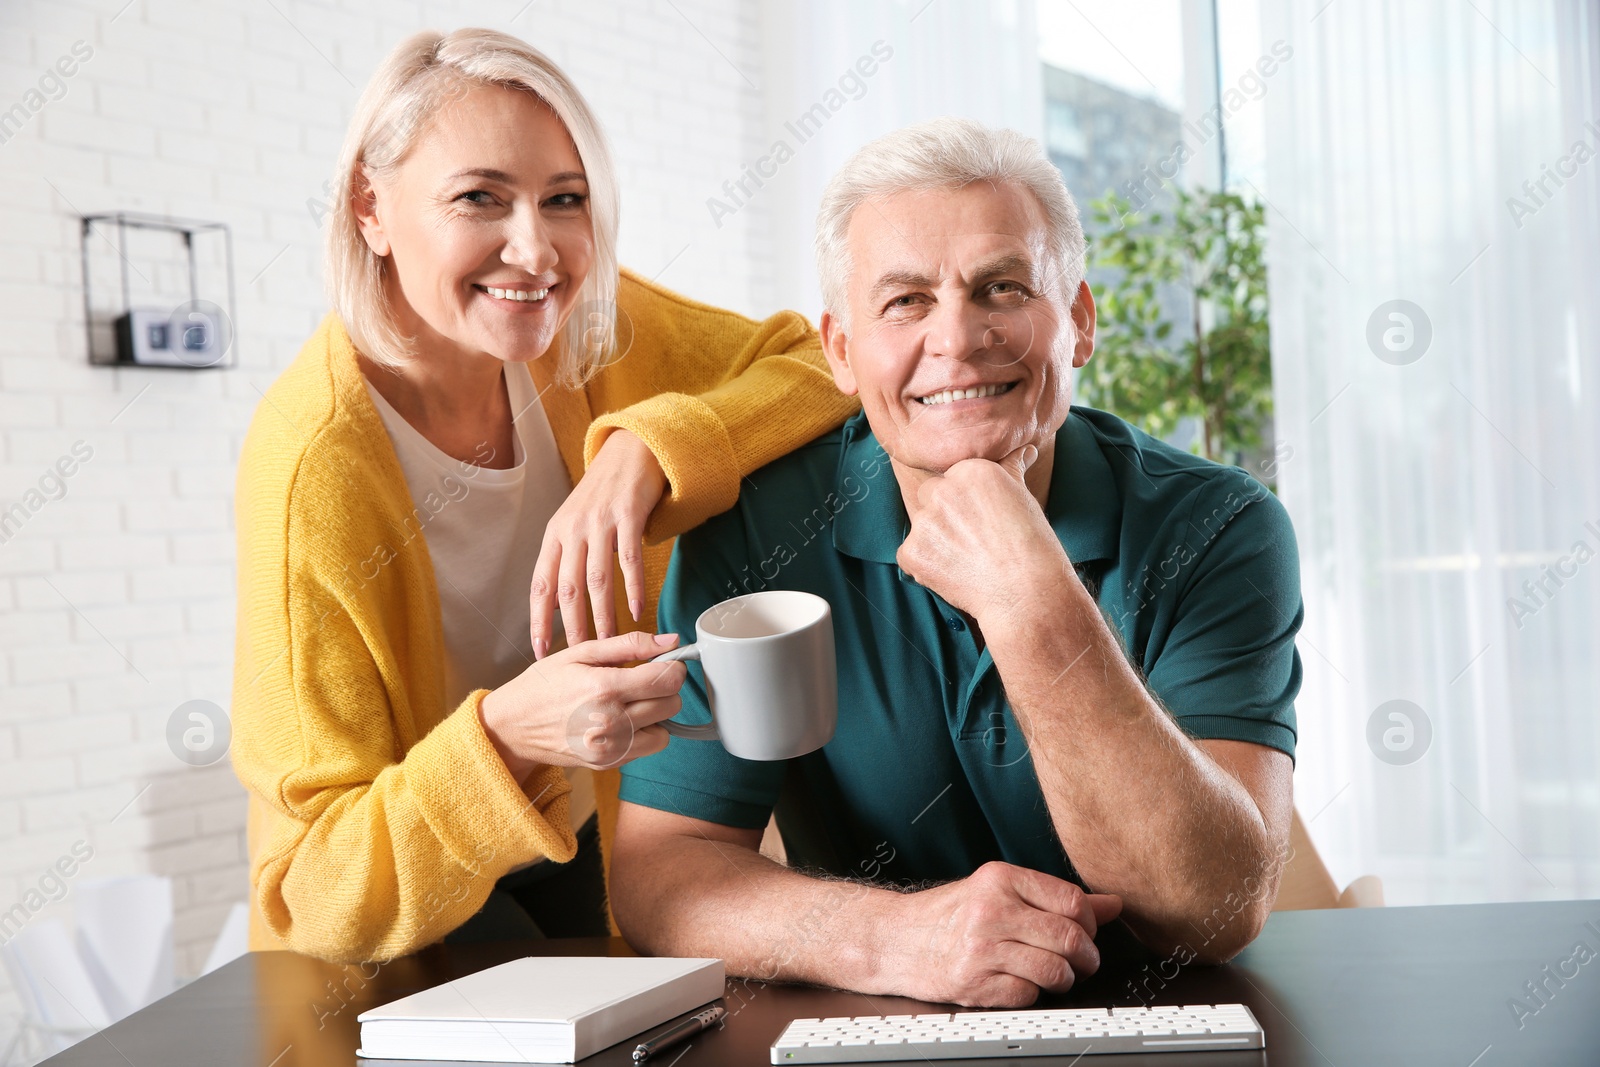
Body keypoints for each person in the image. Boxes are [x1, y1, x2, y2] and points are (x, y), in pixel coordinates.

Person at [612, 118, 1302, 1007]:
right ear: (841, 352)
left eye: (1003, 288)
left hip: (1155, 1023)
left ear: (1079, 322)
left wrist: (1035, 600)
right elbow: (661, 874)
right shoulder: (757, 531)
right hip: (868, 1023)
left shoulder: (1220, 525)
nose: (959, 337)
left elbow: (1213, 913)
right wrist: (895, 938)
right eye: (904, 301)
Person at [230, 28, 857, 963]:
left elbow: (824, 361)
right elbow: (314, 888)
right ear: (371, 205)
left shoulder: (581, 329)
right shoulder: (312, 467)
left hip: (592, 829)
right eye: (480, 197)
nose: (536, 250)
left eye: (565, 201)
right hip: (405, 915)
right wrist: (504, 734)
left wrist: (642, 448)